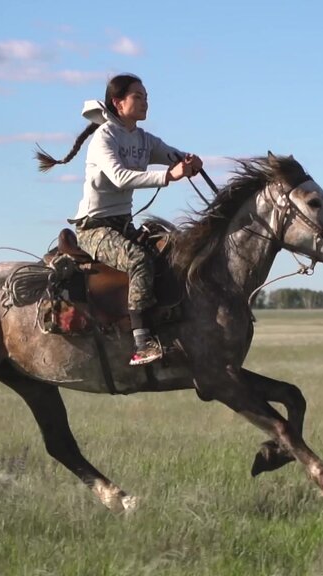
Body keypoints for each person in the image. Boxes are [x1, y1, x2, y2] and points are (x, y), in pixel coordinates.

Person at [36, 74, 202, 366]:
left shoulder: (143, 139)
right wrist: (169, 175)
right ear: (117, 102)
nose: (145, 102)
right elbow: (120, 177)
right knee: (138, 260)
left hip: (123, 225)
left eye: (146, 97)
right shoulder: (104, 137)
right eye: (138, 96)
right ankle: (141, 343)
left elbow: (172, 155)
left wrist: (189, 162)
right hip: (94, 228)